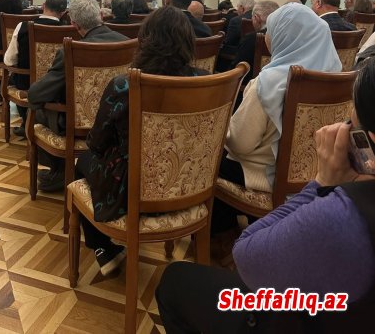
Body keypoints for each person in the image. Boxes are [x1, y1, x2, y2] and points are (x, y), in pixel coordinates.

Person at [156, 58, 375, 333]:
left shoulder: (343, 216)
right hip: (290, 194)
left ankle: (218, 232)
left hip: (262, 193)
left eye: (351, 124)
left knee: (174, 279)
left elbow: (247, 259)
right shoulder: (331, 64)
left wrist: (323, 182)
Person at [75, 6, 209, 275]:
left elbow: (97, 143)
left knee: (82, 162)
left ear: (145, 39)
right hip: (189, 186)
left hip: (131, 190)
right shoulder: (206, 82)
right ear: (188, 41)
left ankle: (103, 247)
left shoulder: (124, 84)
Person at [211, 2, 342, 234]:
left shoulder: (268, 82)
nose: (267, 37)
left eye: (270, 31)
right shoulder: (338, 78)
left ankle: (220, 233)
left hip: (263, 175)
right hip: (316, 176)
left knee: (208, 157)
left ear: (284, 36)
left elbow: (240, 144)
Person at [27, 0, 128, 192]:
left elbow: (36, 94)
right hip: (115, 126)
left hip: (76, 126)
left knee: (37, 112)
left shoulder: (71, 51)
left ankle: (59, 171)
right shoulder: (128, 44)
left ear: (74, 24)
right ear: (101, 16)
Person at [3, 0, 68, 138]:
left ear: (43, 6)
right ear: (63, 12)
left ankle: (27, 121)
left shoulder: (23, 26)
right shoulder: (69, 30)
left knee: (14, 77)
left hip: (27, 83)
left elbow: (9, 60)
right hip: (56, 88)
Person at [230, 0, 279, 88]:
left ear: (256, 18)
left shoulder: (251, 39)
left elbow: (238, 69)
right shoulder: (285, 38)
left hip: (250, 88)